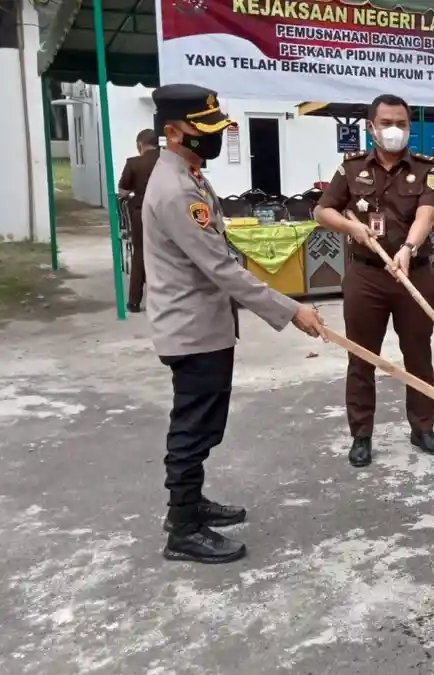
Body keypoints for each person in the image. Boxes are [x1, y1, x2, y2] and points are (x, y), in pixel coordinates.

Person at [143, 84, 326, 563]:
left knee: (204, 423)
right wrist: (291, 310)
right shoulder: (177, 189)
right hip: (190, 328)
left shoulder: (191, 176)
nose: (213, 138)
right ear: (172, 131)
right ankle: (182, 527)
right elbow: (221, 269)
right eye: (201, 131)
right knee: (193, 426)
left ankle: (191, 504)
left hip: (204, 324)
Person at [314, 94, 434, 467]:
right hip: (366, 276)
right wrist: (351, 227)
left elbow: (426, 212)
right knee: (362, 358)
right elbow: (322, 210)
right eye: (387, 123)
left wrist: (408, 247)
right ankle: (361, 435)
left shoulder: (429, 168)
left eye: (402, 124)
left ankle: (422, 428)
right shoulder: (351, 168)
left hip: (414, 273)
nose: (395, 130)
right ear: (371, 127)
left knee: (418, 355)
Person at [117, 128, 161, 313]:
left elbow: (123, 191)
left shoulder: (133, 163)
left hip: (141, 211)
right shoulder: (168, 160)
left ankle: (134, 301)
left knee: (140, 254)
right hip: (166, 209)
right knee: (169, 253)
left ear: (140, 144)